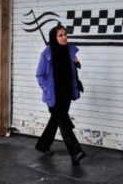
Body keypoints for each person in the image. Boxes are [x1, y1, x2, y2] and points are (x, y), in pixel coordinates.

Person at [35, 24, 86, 165]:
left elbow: (74, 69)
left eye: (65, 35)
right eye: (60, 35)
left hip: (66, 93)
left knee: (55, 120)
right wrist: (48, 89)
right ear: (54, 37)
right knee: (64, 122)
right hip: (54, 95)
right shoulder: (47, 53)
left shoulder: (69, 50)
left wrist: (76, 65)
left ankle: (43, 144)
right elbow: (39, 75)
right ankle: (76, 152)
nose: (64, 38)